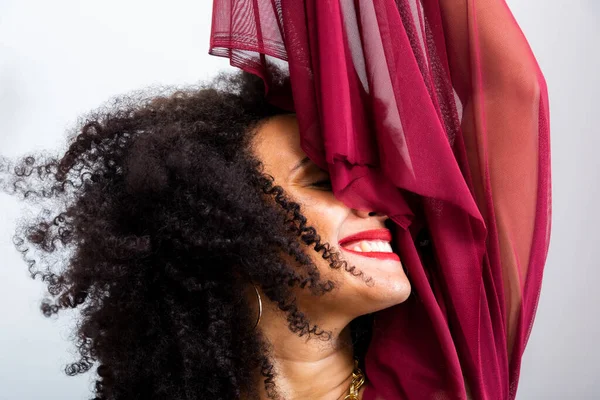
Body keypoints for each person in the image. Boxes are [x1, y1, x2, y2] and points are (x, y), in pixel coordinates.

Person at [3, 71, 412, 399]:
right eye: (323, 181)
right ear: (223, 228)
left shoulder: (455, 380)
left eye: (374, 181)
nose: (375, 203)